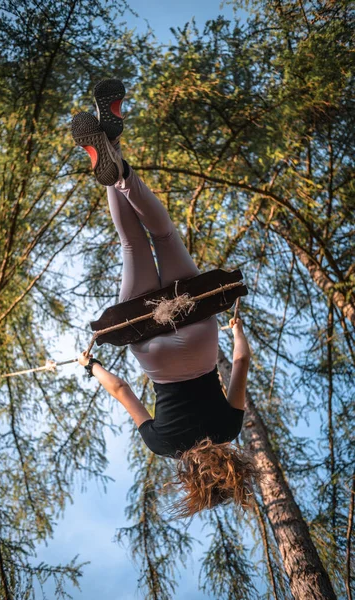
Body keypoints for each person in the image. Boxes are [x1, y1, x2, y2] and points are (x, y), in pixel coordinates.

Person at [71, 80, 256, 517]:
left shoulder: (230, 428)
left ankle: (121, 167)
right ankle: (110, 159)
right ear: (192, 482)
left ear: (231, 466)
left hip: (198, 338)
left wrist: (236, 328)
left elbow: (242, 364)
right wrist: (90, 365)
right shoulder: (161, 445)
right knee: (132, 245)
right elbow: (120, 390)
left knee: (163, 234)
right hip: (152, 352)